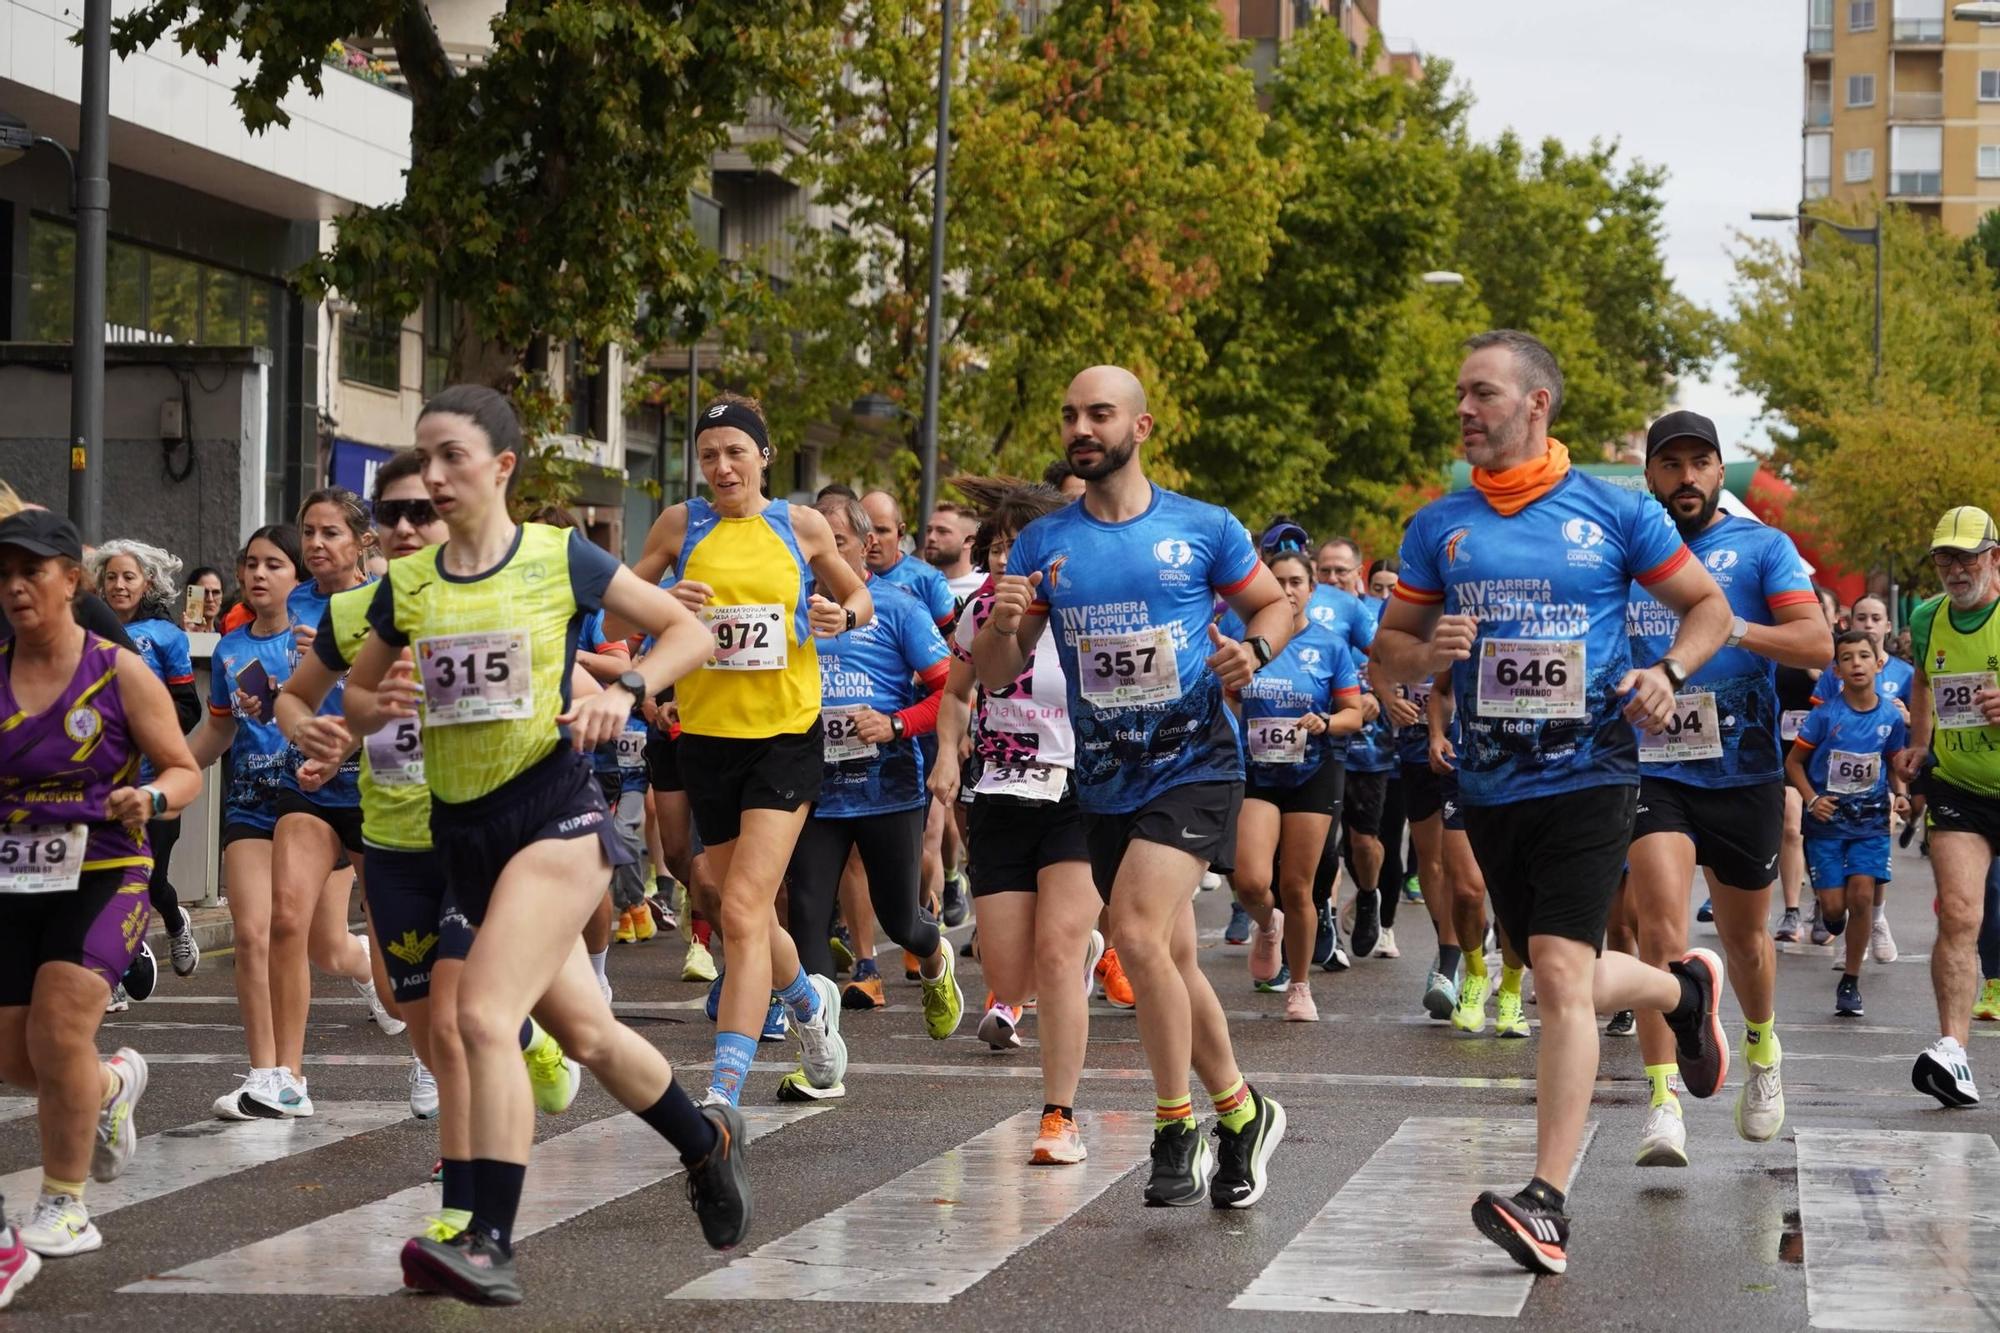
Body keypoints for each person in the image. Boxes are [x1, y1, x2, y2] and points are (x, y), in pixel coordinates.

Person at [323, 384, 746, 1303]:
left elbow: (689, 631)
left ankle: (489, 1240)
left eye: (454, 457)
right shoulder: (409, 585)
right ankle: (704, 1140)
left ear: (502, 466)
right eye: (424, 458)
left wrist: (625, 689)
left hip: (555, 816)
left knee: (480, 1016)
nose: (435, 477)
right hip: (463, 835)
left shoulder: (561, 556)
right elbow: (354, 697)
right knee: (587, 1034)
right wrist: (369, 707)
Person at [1372, 330, 1732, 1275]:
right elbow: (1387, 651)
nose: (1464, 409)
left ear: (1537, 404)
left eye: (1482, 393)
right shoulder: (1439, 526)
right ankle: (1681, 990)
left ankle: (1548, 1201)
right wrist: (1427, 654)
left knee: (1563, 978)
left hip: (1594, 771)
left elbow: (1710, 609)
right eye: (1460, 394)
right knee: (1548, 970)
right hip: (1491, 782)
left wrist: (1667, 671)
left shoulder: (1615, 512)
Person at [973, 364, 1292, 1210]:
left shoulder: (1203, 526)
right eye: (1070, 414)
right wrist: (1001, 624)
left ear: (1140, 427)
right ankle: (1243, 1109)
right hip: (1105, 780)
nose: (1081, 428)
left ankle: (1176, 1125)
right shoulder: (1045, 544)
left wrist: (1255, 650)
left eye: (1100, 413)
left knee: (1138, 934)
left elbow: (1274, 606)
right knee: (1170, 961)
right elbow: (996, 671)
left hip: (1194, 765)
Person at [278, 450, 583, 1223]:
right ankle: (527, 1038)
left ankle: (467, 1183)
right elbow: (296, 699)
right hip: (394, 835)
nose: (409, 527)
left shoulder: (488, 596)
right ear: (376, 531)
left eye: (425, 511)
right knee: (408, 1007)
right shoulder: (357, 615)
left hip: (479, 832)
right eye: (394, 515)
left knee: (456, 1015)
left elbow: (561, 678)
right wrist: (319, 735)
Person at [625, 394, 871, 1108]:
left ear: (763, 455)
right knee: (750, 913)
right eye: (709, 455)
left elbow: (859, 597)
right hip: (707, 741)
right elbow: (618, 606)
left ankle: (723, 1094)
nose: (723, 466)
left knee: (739, 909)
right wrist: (666, 601)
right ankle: (810, 1009)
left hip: (785, 738)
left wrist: (840, 614)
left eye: (736, 451)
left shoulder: (801, 524)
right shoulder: (681, 525)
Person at [1620, 410, 1830, 1168]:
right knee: (1658, 930)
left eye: (1699, 463)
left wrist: (1729, 627)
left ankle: (1763, 1049)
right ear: (1650, 475)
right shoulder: (1627, 552)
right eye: (1670, 464)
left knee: (1745, 941)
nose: (1686, 477)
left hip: (1743, 771)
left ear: (1717, 471)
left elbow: (1816, 644)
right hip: (1654, 769)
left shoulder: (1762, 547)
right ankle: (1662, 1100)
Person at [0, 509, 202, 1259]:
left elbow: (183, 770)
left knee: (58, 1031)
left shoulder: (118, 671)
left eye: (32, 572)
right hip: (14, 873)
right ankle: (112, 1085)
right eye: (4, 575)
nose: (16, 587)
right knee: (16, 1057)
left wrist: (149, 796)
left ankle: (65, 1204)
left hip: (106, 867)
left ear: (70, 581)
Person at [932, 476, 1107, 1162]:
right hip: (1001, 793)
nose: (1006, 558)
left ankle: (1059, 1116)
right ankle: (1076, 953)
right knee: (1008, 976)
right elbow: (957, 693)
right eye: (998, 546)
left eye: (1019, 545)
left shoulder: (1089, 607)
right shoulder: (979, 610)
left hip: (1078, 791)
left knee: (1057, 951)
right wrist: (947, 755)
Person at [184, 527, 309, 1117]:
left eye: (274, 564)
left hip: (312, 801)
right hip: (250, 803)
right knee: (253, 934)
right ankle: (268, 1076)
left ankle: (296, 1069)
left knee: (303, 934)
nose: (259, 574)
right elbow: (218, 729)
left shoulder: (316, 639)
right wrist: (166, 774)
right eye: (251, 564)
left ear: (298, 575)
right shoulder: (230, 649)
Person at [1227, 549, 1365, 1021]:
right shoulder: (1246, 640)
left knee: (1298, 885)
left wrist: (1326, 721)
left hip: (1311, 772)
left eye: (1295, 582)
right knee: (1250, 882)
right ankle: (1269, 926)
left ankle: (1300, 986)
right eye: (1278, 581)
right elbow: (1226, 696)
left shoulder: (1329, 645)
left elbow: (1353, 712)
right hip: (1257, 772)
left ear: (1311, 589)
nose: (1287, 590)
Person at [1893, 506, 2000, 1108]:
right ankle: (1953, 1051)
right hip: (1961, 788)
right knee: (1959, 914)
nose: (1956, 570)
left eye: (1967, 557)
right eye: (1944, 558)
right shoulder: (1927, 617)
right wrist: (1919, 743)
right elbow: (1922, 683)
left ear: (1995, 558)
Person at [87, 538, 204, 988]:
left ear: (148, 583)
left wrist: (143, 727)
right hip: (103, 783)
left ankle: (175, 923)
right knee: (109, 881)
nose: (119, 585)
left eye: (128, 577)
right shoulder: (86, 632)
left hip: (156, 782)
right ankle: (117, 971)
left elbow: (189, 707)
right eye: (111, 577)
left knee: (152, 882)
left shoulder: (167, 636)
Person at [1787, 628, 1909, 1018]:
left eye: (1863, 656)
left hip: (1870, 820)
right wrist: (1813, 799)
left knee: (1861, 896)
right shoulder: (1825, 716)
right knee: (1836, 907)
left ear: (1878, 664)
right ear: (1836, 670)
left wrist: (1901, 793)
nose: (1856, 664)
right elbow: (1794, 763)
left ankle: (1850, 981)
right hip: (1827, 820)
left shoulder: (1891, 716)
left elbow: (1893, 761)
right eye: (1847, 658)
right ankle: (1830, 915)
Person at [1811, 594, 1914, 962]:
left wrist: (1907, 717)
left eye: (1875, 618)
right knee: (1839, 879)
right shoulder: (1836, 669)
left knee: (1869, 868)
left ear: (1887, 625)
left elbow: (1914, 725)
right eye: (1861, 618)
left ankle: (1876, 920)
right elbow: (1819, 723)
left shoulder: (1903, 673)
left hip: (1879, 783)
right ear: (1849, 622)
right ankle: (1834, 910)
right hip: (1833, 788)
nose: (1868, 624)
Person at [924, 502, 984, 604]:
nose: (931, 537)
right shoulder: (914, 583)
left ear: (969, 541)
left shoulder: (986, 587)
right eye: (929, 530)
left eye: (942, 531)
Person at [183, 565, 225, 633]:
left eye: (216, 592)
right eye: (204, 592)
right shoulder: (177, 635)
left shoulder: (227, 633)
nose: (210, 599)